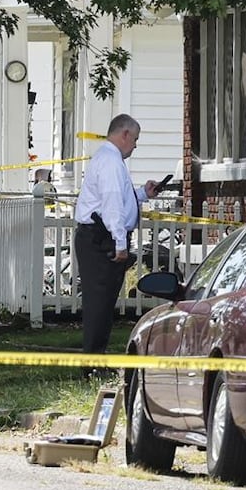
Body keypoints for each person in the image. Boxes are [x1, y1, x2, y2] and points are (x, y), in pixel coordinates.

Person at [74, 114, 161, 356]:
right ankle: (93, 361)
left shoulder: (109, 159)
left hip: (99, 236)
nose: (135, 145)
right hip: (101, 238)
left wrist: (142, 193)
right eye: (135, 139)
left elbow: (119, 196)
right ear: (124, 134)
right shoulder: (111, 162)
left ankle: (95, 355)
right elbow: (112, 206)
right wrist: (120, 244)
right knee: (99, 302)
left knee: (103, 300)